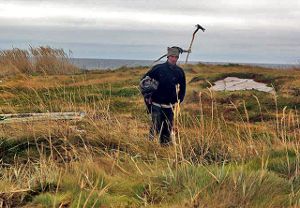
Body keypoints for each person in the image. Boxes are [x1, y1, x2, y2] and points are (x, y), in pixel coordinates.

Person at [140, 46, 186, 145]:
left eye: (176, 57)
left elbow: (182, 88)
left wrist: (179, 100)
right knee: (155, 126)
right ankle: (150, 145)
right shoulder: (158, 69)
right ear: (168, 57)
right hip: (156, 103)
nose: (174, 59)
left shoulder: (179, 71)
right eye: (172, 56)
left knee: (167, 127)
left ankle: (164, 147)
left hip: (170, 106)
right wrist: (149, 88)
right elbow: (144, 81)